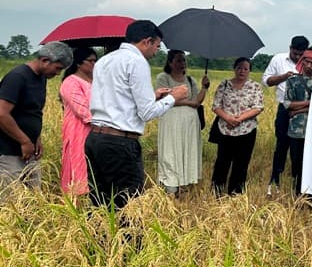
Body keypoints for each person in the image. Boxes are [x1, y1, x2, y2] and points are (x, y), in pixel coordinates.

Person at [86, 20, 189, 208]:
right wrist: (174, 97)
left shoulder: (105, 60)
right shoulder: (137, 61)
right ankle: (129, 239)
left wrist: (153, 96)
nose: (157, 51)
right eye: (157, 46)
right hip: (120, 142)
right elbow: (147, 112)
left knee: (99, 203)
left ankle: (99, 238)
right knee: (129, 205)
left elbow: (116, 97)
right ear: (147, 41)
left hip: (95, 138)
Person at [0, 41, 73, 192]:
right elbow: (2, 113)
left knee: (34, 197)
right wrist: (24, 141)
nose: (58, 73)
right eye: (57, 68)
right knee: (11, 199)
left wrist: (36, 138)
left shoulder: (41, 78)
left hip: (30, 151)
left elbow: (33, 111)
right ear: (45, 60)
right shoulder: (17, 77)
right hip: (9, 151)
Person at [155, 50, 209, 196]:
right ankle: (171, 187)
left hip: (190, 123)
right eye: (178, 60)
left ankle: (184, 184)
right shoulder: (163, 78)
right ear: (170, 62)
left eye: (184, 60)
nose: (182, 64)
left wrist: (205, 87)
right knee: (171, 151)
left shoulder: (190, 80)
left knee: (187, 150)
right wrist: (188, 103)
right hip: (171, 122)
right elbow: (165, 100)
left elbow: (197, 101)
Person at [211, 57, 264, 196]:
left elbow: (258, 107)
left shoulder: (255, 86)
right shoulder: (225, 85)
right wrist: (227, 118)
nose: (242, 71)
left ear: (249, 71)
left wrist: (239, 119)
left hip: (247, 130)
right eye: (239, 68)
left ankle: (235, 193)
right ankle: (217, 191)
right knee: (222, 161)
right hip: (225, 129)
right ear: (234, 69)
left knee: (241, 163)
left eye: (245, 69)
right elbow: (216, 106)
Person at [263, 35, 308, 193]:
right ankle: (275, 180)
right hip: (284, 109)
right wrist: (284, 77)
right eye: (295, 53)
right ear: (290, 48)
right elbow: (266, 81)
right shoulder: (278, 59)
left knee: (298, 148)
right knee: (281, 145)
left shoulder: (309, 65)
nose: (297, 57)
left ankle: (297, 183)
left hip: (303, 112)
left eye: (300, 54)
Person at [284, 47, 312, 194]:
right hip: (295, 130)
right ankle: (297, 192)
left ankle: (310, 193)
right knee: (296, 164)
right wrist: (311, 103)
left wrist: (298, 109)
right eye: (307, 62)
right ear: (302, 61)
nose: (309, 66)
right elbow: (287, 104)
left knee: (311, 165)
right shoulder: (292, 81)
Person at [58, 47, 97, 198]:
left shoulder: (96, 81)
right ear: (79, 63)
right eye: (90, 61)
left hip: (96, 130)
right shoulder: (70, 82)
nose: (94, 64)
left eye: (95, 61)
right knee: (78, 165)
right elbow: (82, 110)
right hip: (78, 130)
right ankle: (76, 206)